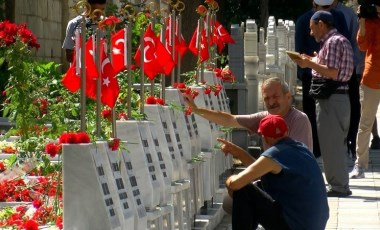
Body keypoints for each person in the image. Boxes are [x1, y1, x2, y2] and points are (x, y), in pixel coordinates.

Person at [220, 114, 329, 230]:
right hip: (313, 224)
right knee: (257, 186)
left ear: (264, 137)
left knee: (243, 189)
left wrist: (230, 180)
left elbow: (235, 184)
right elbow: (261, 169)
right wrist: (237, 152)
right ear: (286, 131)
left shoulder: (274, 154)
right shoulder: (301, 148)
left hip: (295, 226)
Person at [295, 10, 354, 197]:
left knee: (332, 143)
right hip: (337, 98)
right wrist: (313, 60)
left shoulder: (334, 41)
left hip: (333, 98)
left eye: (312, 28)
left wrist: (309, 65)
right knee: (334, 143)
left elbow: (332, 72)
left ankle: (338, 187)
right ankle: (338, 184)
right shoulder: (334, 41)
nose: (311, 33)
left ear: (321, 24)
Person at [184, 77, 313, 151]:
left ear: (288, 97)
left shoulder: (299, 119)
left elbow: (297, 157)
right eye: (267, 98)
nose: (271, 102)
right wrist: (196, 110)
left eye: (276, 96)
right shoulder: (264, 117)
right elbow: (230, 120)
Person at [295, 0, 349, 158]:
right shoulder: (305, 20)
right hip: (314, 76)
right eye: (323, 7)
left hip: (331, 81)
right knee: (314, 117)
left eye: (328, 7)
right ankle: (317, 149)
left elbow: (335, 65)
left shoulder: (336, 27)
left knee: (328, 124)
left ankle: (325, 151)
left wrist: (310, 64)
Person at [350, 2, 380, 179]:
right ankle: (360, 165)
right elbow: (362, 45)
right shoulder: (370, 22)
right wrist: (361, 21)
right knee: (365, 123)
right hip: (372, 77)